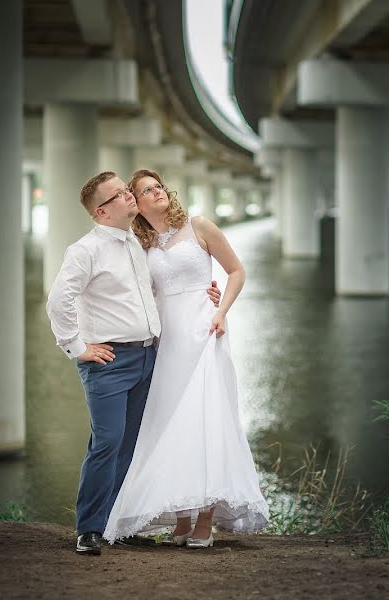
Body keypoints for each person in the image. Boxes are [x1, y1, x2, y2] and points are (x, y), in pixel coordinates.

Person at [46, 171, 221, 555]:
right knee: (106, 443)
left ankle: (117, 525)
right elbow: (59, 300)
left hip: (148, 355)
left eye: (128, 190)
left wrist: (208, 294)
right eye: (120, 194)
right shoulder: (86, 250)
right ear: (101, 212)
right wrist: (78, 347)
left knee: (133, 445)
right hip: (109, 360)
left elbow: (172, 284)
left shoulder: (138, 244)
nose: (129, 196)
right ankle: (89, 529)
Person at [103, 170, 269, 548]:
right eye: (145, 190)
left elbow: (236, 271)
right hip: (168, 342)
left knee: (205, 422)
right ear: (136, 203)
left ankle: (205, 523)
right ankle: (181, 520)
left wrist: (221, 310)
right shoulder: (140, 244)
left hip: (205, 333)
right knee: (170, 424)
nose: (155, 191)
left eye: (157, 185)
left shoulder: (198, 226)